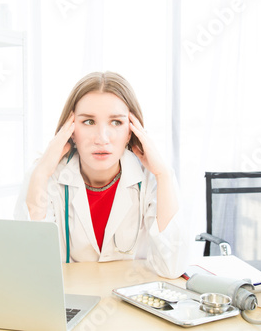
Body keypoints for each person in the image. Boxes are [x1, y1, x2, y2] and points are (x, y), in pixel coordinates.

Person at [14, 71, 190, 278]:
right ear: (70, 130)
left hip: (130, 302)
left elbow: (172, 267)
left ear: (131, 132)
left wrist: (164, 174)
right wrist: (41, 172)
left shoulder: (153, 177)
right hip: (70, 303)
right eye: (88, 122)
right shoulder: (45, 176)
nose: (102, 138)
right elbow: (33, 269)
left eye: (116, 122)